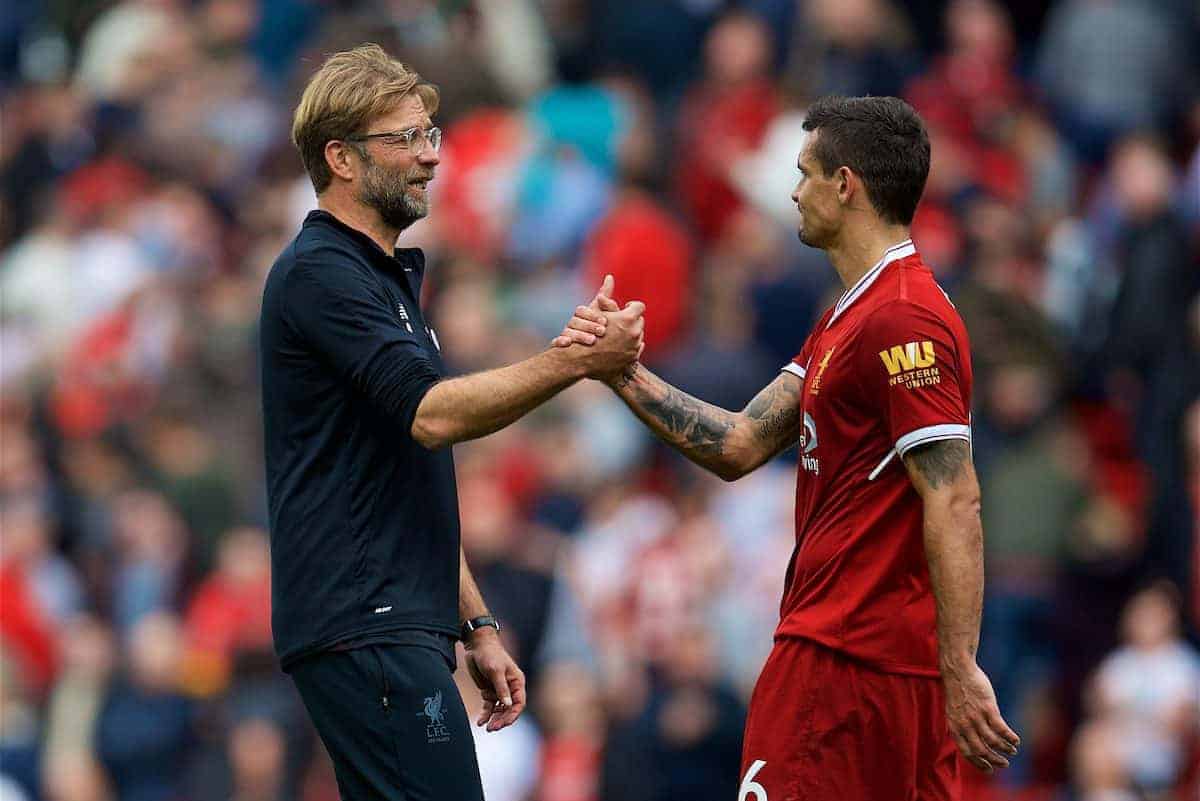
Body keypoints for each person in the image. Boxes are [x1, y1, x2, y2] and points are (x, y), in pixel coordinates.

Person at [557, 95, 1020, 798]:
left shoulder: (901, 317)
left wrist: (960, 664)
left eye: (804, 172)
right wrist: (621, 370)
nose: (794, 190)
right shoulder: (848, 316)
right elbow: (740, 443)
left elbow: (954, 494)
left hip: (843, 662)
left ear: (846, 185)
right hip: (873, 662)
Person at [258, 44, 644, 801]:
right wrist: (574, 360)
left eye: (430, 135)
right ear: (339, 157)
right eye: (403, 138)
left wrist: (476, 623)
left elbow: (407, 477)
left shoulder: (374, 278)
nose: (429, 157)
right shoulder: (323, 274)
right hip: (367, 622)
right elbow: (433, 418)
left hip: (392, 621)